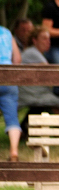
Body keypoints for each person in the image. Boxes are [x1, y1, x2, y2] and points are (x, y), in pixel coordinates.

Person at [0, 24, 22, 161]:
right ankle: (14, 151)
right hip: (8, 77)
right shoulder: (6, 32)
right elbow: (17, 59)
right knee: (12, 117)